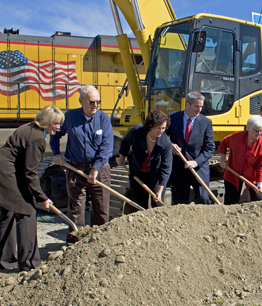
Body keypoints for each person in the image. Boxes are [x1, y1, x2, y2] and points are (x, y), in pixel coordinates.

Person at [0, 105, 64, 271]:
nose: (58, 127)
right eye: (55, 123)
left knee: (7, 213)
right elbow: (30, 173)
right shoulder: (37, 138)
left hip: (6, 170)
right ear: (46, 121)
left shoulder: (29, 127)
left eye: (59, 123)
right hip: (7, 173)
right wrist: (42, 197)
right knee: (27, 212)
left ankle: (5, 260)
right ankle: (29, 263)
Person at [50, 85, 113, 245]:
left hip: (99, 169)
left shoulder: (103, 119)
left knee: (101, 207)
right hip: (75, 168)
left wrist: (96, 168)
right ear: (81, 101)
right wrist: (56, 153)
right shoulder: (70, 117)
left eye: (98, 102)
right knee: (76, 208)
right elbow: (55, 133)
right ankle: (75, 243)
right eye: (92, 102)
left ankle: (99, 243)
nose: (96, 105)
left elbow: (107, 146)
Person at [165, 91, 215, 205]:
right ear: (187, 104)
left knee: (203, 199)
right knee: (179, 202)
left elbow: (210, 148)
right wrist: (170, 144)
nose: (199, 109)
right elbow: (162, 135)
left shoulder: (206, 122)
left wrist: (196, 162)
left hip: (199, 169)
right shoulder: (172, 118)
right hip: (179, 168)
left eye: (201, 106)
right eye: (196, 106)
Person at [116, 111, 173, 210]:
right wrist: (122, 156)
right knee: (138, 204)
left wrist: (159, 191)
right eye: (158, 128)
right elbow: (125, 142)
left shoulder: (166, 143)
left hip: (155, 176)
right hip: (137, 173)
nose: (161, 131)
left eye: (163, 128)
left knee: (158, 204)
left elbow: (166, 168)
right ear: (150, 126)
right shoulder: (137, 131)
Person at [219, 116, 262, 204]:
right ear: (248, 128)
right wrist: (222, 159)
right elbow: (223, 143)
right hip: (233, 173)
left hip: (252, 176)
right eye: (256, 131)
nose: (259, 133)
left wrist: (260, 182)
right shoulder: (237, 137)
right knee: (231, 202)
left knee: (259, 200)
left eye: (261, 131)